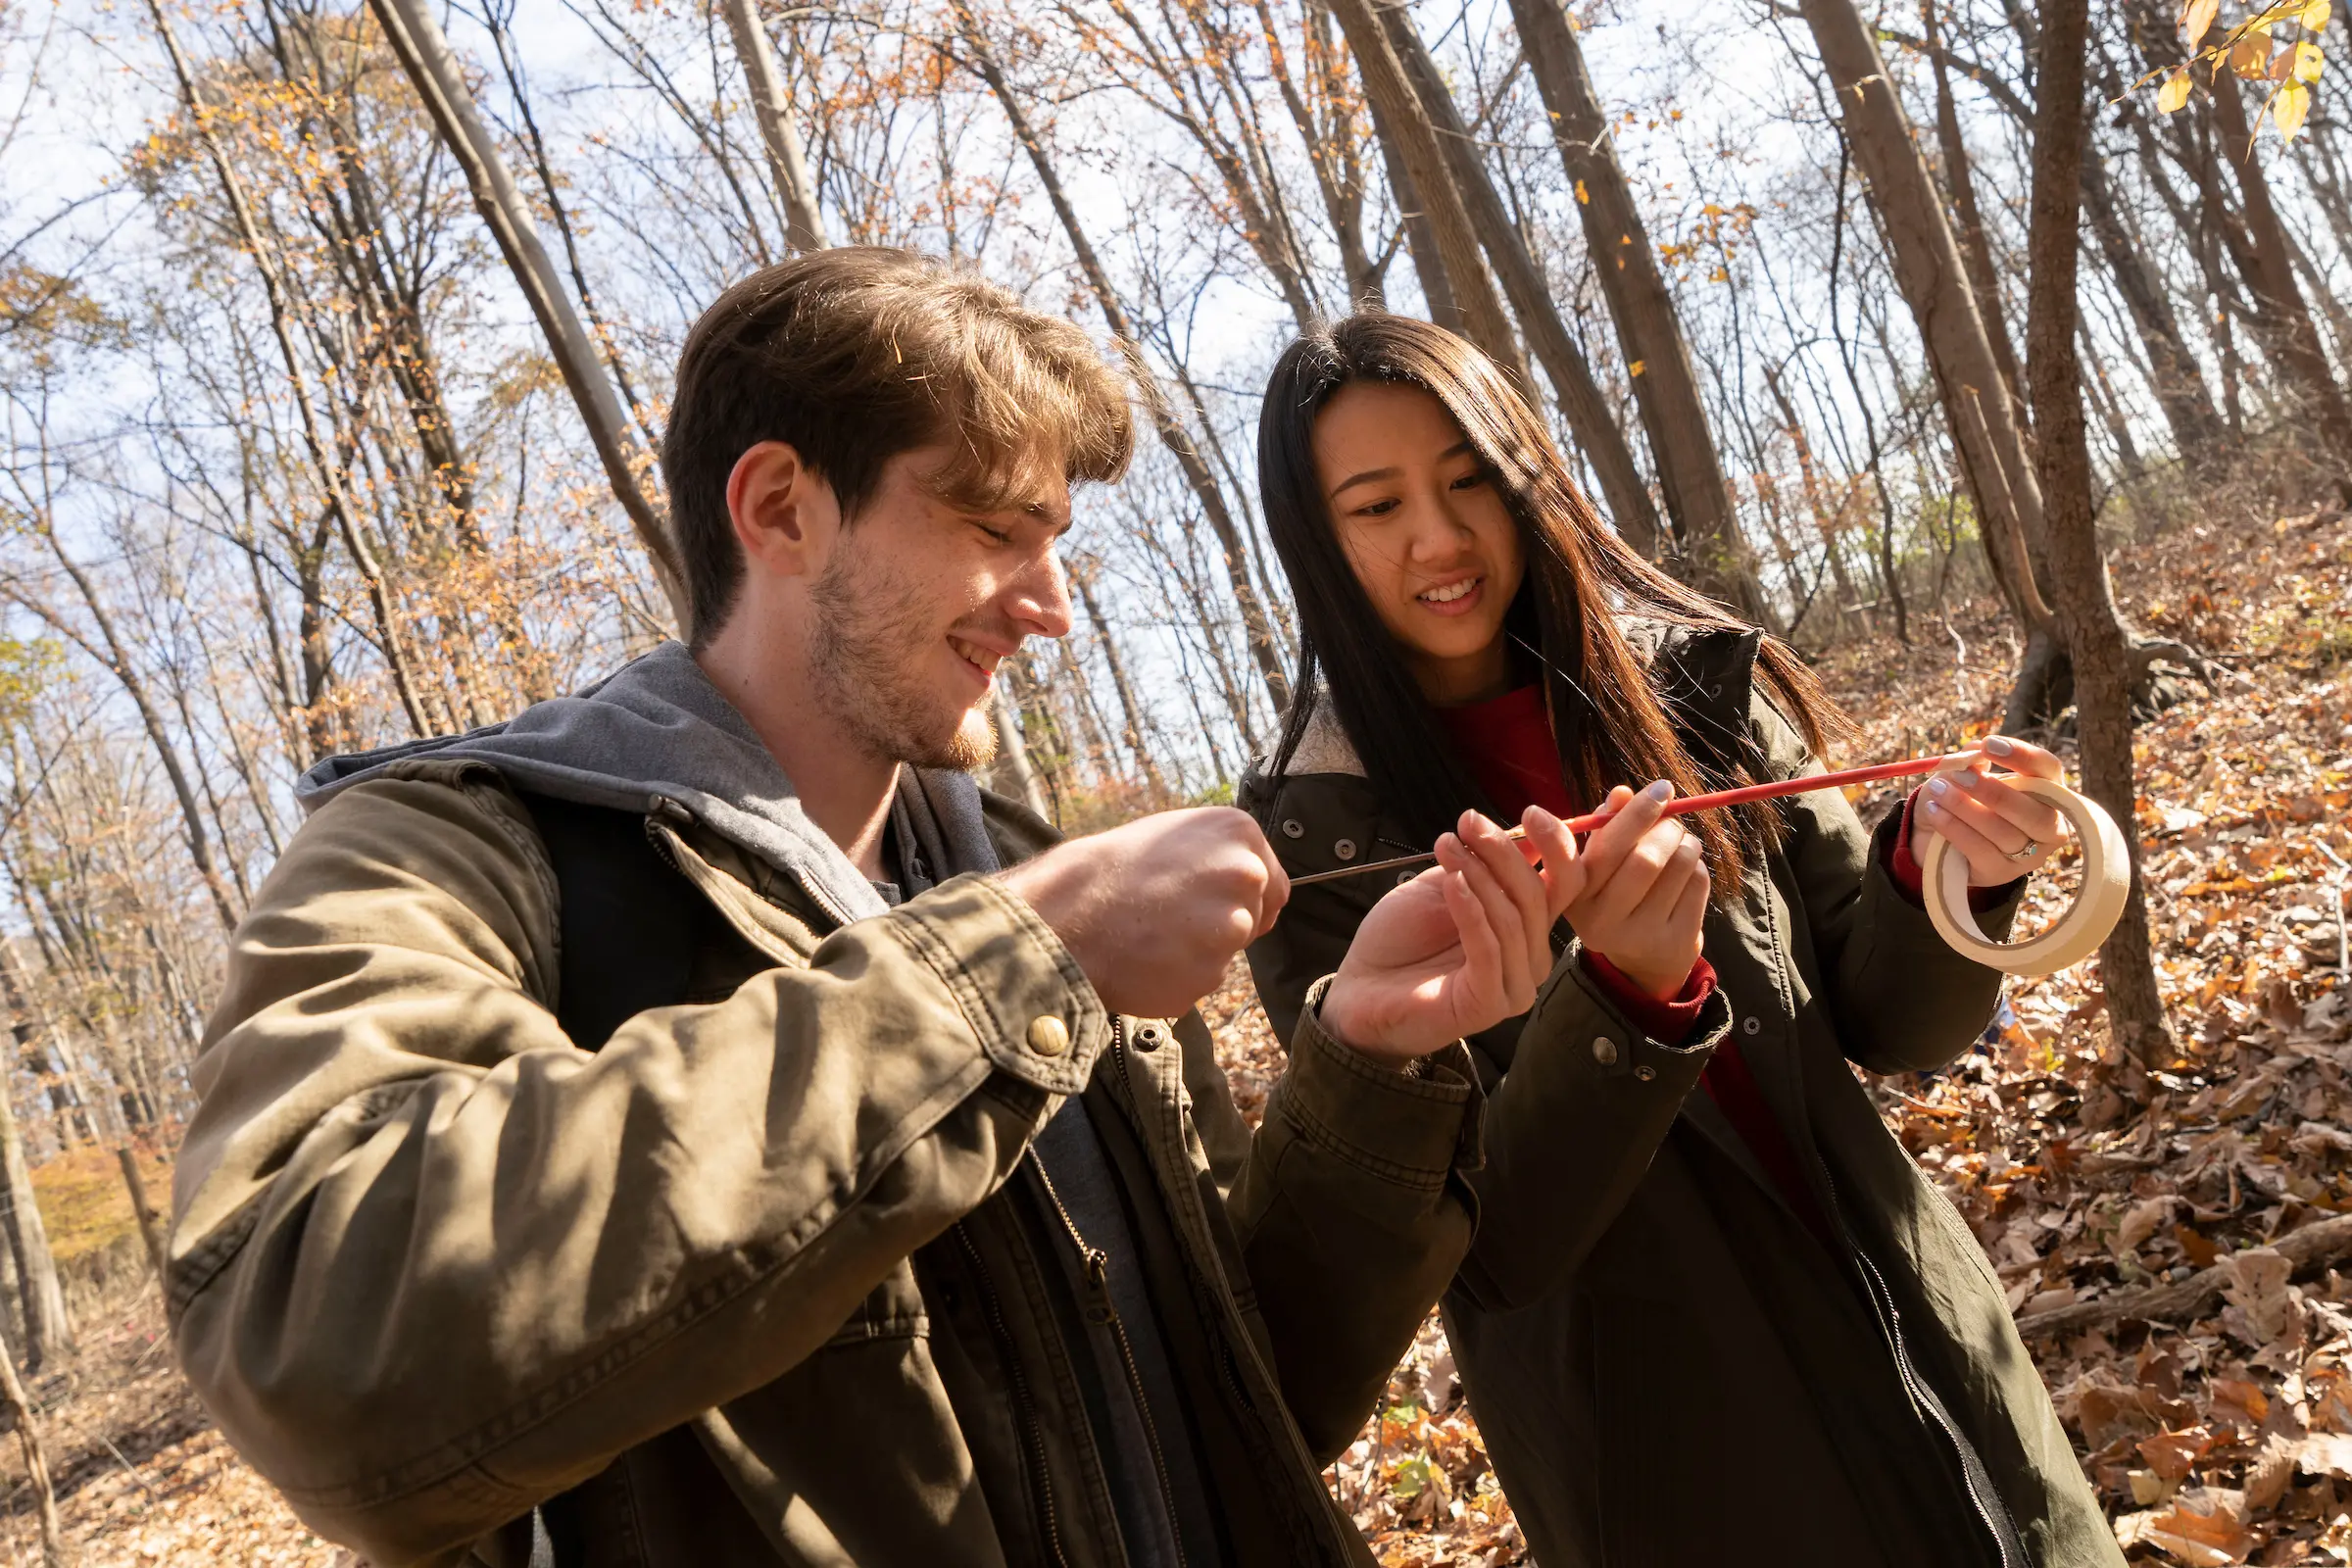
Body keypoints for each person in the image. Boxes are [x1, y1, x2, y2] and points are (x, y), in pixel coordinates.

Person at [167, 251, 1583, 1568]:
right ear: (781, 507)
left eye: (1059, 539)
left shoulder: (1020, 865)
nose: (1053, 607)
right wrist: (1018, 964)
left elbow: (1253, 1391)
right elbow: (309, 1333)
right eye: (992, 529)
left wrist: (1368, 1067)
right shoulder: (459, 851)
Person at [1239, 313, 2126, 1568]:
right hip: (1666, 1463)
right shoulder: (1311, 849)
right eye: (1376, 508)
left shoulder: (1701, 692)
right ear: (1319, 546)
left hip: (1922, 1352)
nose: (1440, 539)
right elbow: (1490, 1254)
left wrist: (1950, 874)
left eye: (1468, 479)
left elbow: (1893, 1025)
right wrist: (1625, 1004)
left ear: (1525, 474)